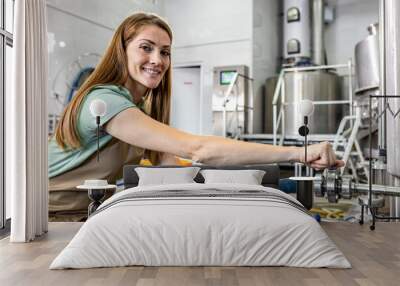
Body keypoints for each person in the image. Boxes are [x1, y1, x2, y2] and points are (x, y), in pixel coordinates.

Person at [48, 12, 343, 221]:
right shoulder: (105, 100)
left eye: (165, 52)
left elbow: (175, 172)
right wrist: (296, 153)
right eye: (146, 48)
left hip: (81, 215)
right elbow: (197, 149)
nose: (157, 60)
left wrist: (241, 193)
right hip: (48, 216)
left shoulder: (142, 111)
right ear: (121, 51)